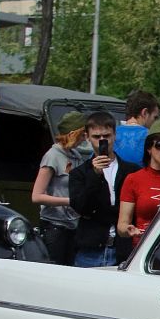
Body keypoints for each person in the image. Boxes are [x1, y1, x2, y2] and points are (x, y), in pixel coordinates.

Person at [67, 112, 123, 267]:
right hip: (90, 251)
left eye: (107, 136)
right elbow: (82, 207)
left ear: (114, 135)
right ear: (87, 137)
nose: (102, 141)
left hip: (121, 251)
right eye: (96, 137)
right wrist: (94, 175)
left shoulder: (130, 171)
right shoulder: (79, 173)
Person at [116, 129, 160, 249]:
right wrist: (128, 230)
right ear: (149, 149)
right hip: (145, 248)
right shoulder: (134, 179)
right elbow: (122, 225)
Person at [32, 112, 85, 265]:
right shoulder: (52, 156)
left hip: (73, 225)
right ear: (73, 134)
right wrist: (69, 201)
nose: (83, 140)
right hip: (54, 227)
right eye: (82, 135)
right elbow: (36, 196)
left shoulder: (75, 155)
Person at [113, 89, 160, 169]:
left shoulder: (110, 134)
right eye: (155, 117)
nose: (155, 122)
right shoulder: (151, 137)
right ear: (144, 112)